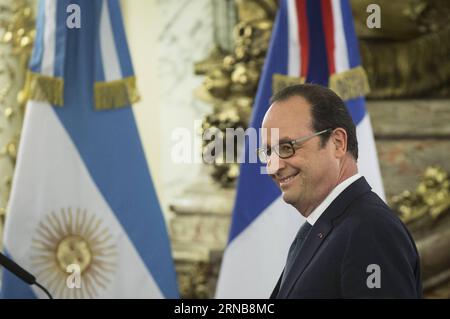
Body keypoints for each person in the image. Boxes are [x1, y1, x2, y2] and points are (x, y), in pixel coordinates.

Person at [257, 84, 422, 298]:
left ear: (337, 143)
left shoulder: (370, 229)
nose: (273, 166)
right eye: (268, 152)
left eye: (287, 147)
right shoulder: (321, 227)